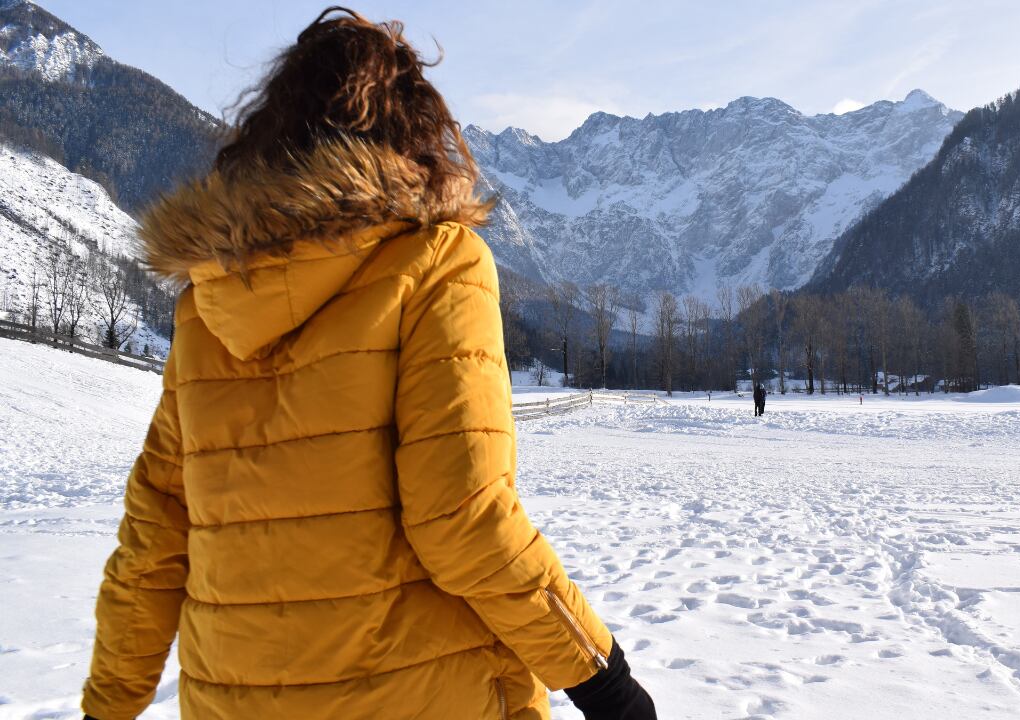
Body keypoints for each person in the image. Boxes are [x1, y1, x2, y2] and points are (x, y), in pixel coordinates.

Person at [80, 8, 655, 720]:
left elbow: (154, 535)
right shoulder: (437, 260)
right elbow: (461, 516)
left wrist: (108, 706)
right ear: (414, 127)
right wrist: (603, 678)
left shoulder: (208, 304)